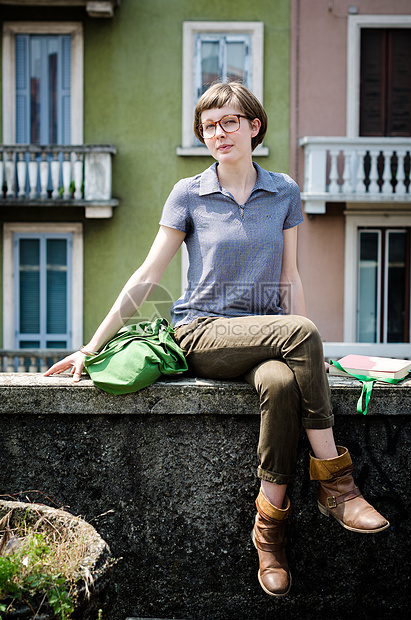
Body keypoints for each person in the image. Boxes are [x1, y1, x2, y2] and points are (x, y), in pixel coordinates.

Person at [45, 82, 389, 598]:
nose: (219, 133)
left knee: (280, 385)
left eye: (230, 121)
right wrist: (93, 347)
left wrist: (307, 364)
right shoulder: (189, 193)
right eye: (209, 126)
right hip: (202, 332)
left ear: (254, 127)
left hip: (268, 339)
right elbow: (147, 276)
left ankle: (268, 534)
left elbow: (290, 277)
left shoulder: (285, 191)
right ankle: (336, 484)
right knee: (302, 331)